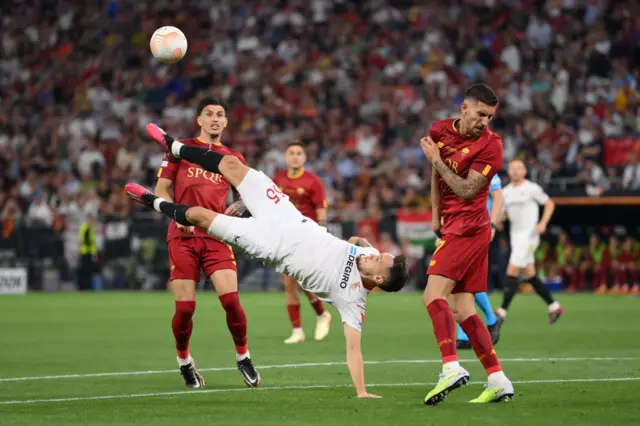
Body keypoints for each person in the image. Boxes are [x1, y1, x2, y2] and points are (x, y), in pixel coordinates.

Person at [126, 123, 409, 398]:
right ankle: (173, 145)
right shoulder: (366, 254)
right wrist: (359, 244)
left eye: (379, 260)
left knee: (200, 215)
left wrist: (361, 391)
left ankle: (154, 202)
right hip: (285, 213)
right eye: (379, 252)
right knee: (232, 166)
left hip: (268, 243)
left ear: (380, 279)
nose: (374, 253)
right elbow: (359, 243)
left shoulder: (353, 301)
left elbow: (353, 350)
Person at [154, 98, 258, 388]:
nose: (215, 119)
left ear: (226, 122)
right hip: (182, 235)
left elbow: (252, 192)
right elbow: (161, 188)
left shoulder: (232, 156)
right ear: (199, 120)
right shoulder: (180, 148)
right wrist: (177, 215)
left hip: (217, 234)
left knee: (232, 302)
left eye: (220, 115)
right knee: (185, 309)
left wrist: (242, 204)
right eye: (209, 114)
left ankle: (243, 357)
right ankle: (185, 362)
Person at [420, 83, 514, 405]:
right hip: (451, 226)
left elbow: (465, 190)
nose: (484, 122)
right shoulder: (440, 130)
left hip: (470, 227)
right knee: (462, 309)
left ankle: (450, 367)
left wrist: (435, 158)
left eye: (489, 117)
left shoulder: (492, 147)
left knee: (432, 295)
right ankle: (498, 379)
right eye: (480, 114)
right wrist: (435, 214)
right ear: (464, 109)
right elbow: (436, 175)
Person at [273, 142, 332, 344]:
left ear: (305, 158)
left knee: (299, 281)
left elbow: (321, 211)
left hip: (307, 236)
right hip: (285, 236)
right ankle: (305, 325)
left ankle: (312, 321)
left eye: (299, 153)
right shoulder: (278, 179)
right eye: (291, 153)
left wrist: (321, 234)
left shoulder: (313, 182)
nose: (295, 157)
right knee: (290, 282)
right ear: (285, 157)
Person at [497, 159, 564, 323]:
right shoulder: (505, 193)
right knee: (530, 274)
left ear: (525, 171)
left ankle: (501, 312)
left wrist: (543, 223)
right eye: (512, 168)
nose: (515, 171)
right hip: (515, 237)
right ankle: (554, 306)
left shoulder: (531, 189)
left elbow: (549, 204)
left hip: (529, 237)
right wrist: (499, 220)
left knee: (512, 271)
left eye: (519, 168)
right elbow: (504, 214)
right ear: (508, 172)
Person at [455, 173, 504, 349]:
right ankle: (489, 321)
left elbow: (498, 196)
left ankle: (470, 330)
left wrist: (492, 224)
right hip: (457, 227)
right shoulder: (454, 165)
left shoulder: (486, 166)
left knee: (463, 277)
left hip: (479, 228)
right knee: (461, 278)